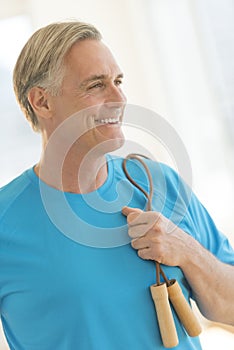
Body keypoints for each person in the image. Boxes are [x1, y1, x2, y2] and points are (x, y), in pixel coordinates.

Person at [0, 20, 233, 350]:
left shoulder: (160, 183)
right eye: (95, 85)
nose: (119, 97)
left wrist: (187, 250)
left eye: (118, 81)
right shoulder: (4, 222)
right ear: (42, 102)